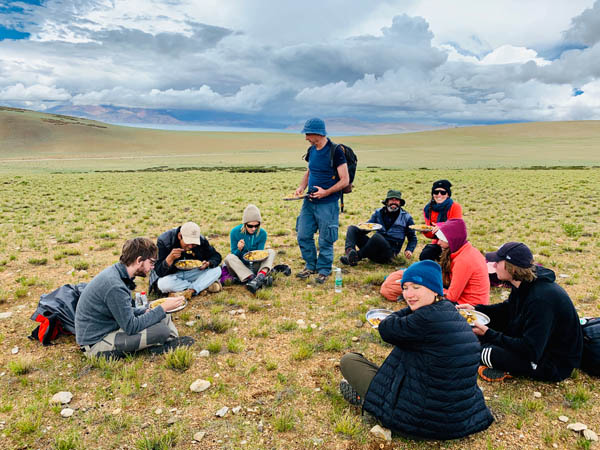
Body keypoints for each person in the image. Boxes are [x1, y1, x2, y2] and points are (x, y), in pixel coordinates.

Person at [339, 260, 493, 440]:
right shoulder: (451, 313)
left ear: (435, 289)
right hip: (461, 418)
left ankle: (369, 402)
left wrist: (410, 309)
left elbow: (386, 327)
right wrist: (418, 304)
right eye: (405, 288)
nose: (408, 294)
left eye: (416, 287)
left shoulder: (424, 319)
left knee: (349, 361)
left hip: (420, 421)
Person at [459, 242, 583, 382]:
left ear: (510, 267)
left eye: (498, 262)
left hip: (553, 362)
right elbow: (507, 310)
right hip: (535, 343)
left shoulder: (541, 300)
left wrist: (489, 334)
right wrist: (475, 310)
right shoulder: (523, 283)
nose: (493, 265)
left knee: (482, 351)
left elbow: (531, 349)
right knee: (474, 338)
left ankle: (506, 366)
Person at [75, 237, 193, 358]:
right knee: (161, 329)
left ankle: (167, 341)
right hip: (96, 344)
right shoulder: (115, 286)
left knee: (162, 314)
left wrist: (147, 309)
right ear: (139, 260)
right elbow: (131, 326)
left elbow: (123, 310)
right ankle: (163, 343)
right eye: (151, 262)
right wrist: (161, 308)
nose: (153, 267)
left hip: (111, 326)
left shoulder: (119, 274)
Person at [379, 218, 489, 306]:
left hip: (467, 306)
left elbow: (451, 297)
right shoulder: (463, 249)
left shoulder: (464, 260)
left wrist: (428, 285)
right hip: (458, 295)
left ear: (452, 240)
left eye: (442, 239)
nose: (439, 242)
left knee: (391, 288)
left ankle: (406, 290)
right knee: (403, 278)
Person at [295, 118, 349, 284]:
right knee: (303, 234)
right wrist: (301, 187)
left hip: (328, 203)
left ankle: (324, 269)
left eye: (308, 134)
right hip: (309, 201)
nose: (306, 138)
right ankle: (310, 265)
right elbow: (309, 172)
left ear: (318, 133)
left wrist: (326, 192)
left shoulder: (336, 151)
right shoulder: (312, 150)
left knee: (326, 238)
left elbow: (345, 180)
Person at [340, 189, 417, 266]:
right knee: (352, 228)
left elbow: (412, 238)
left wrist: (409, 250)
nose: (394, 202)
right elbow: (368, 227)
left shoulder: (406, 217)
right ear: (387, 202)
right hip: (373, 250)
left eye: (396, 200)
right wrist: (361, 227)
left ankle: (356, 257)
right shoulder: (378, 213)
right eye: (391, 199)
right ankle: (349, 254)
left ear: (400, 203)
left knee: (377, 237)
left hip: (388, 254)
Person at [149, 222, 222, 299]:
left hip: (193, 272)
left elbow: (216, 256)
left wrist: (208, 263)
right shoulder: (164, 241)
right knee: (163, 284)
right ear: (180, 236)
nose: (190, 246)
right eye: (188, 242)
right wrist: (169, 259)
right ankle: (200, 287)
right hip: (172, 275)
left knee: (217, 270)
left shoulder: (201, 240)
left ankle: (189, 290)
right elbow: (159, 271)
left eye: (194, 244)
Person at [223, 204, 276, 294]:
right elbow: (234, 255)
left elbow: (260, 254)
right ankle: (252, 278)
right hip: (241, 267)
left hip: (255, 265)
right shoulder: (235, 232)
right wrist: (239, 249)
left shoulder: (262, 233)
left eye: (257, 225)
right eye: (250, 226)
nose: (253, 229)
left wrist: (257, 255)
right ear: (244, 224)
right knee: (229, 257)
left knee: (271, 252)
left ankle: (259, 277)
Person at [418, 179, 462, 261]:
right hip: (438, 242)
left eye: (443, 192)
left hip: (453, 244)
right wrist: (425, 230)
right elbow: (432, 235)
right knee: (425, 255)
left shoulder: (455, 207)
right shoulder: (428, 209)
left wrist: (442, 227)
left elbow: (456, 227)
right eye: (436, 192)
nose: (439, 195)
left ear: (448, 194)